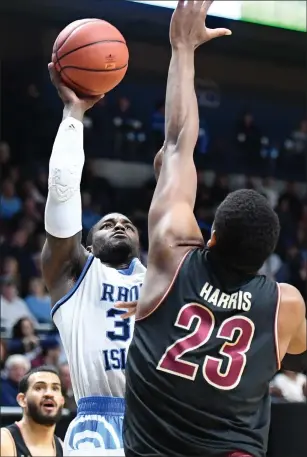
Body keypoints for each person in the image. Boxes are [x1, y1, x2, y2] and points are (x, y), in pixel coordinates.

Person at [120, 2, 307, 457]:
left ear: (213, 236)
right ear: (266, 256)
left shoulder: (169, 252)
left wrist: (182, 50)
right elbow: (296, 347)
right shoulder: (285, 303)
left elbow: (178, 143)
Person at [41, 63, 160, 456]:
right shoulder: (73, 273)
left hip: (159, 420)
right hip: (97, 423)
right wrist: (73, 115)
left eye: (127, 223)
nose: (121, 225)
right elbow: (61, 192)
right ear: (87, 243)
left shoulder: (156, 279)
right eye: (108, 223)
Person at [1, 366, 64, 456]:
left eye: (55, 388)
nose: (49, 393)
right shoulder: (4, 441)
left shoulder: (64, 448)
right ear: (22, 400)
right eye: (39, 388)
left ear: (62, 401)